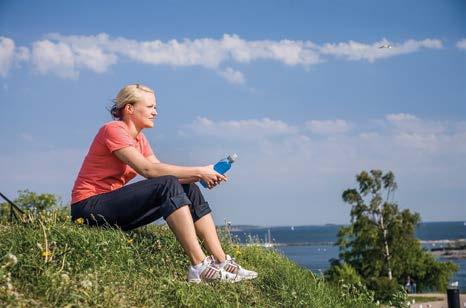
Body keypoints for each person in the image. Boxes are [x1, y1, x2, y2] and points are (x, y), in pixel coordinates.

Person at [71, 83, 257, 283]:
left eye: (155, 108)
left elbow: (159, 171)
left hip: (112, 210)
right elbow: (148, 170)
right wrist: (199, 170)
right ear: (129, 108)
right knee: (168, 183)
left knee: (188, 187)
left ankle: (221, 261)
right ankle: (199, 266)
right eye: (150, 107)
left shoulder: (139, 139)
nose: (155, 112)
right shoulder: (113, 130)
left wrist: (201, 176)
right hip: (88, 208)